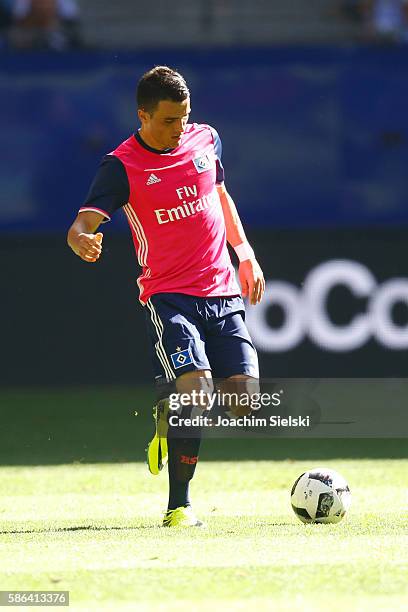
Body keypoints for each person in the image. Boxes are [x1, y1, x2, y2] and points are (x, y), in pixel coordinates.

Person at [67, 66, 265, 527]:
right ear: (143, 115)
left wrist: (246, 254)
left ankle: (166, 409)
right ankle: (179, 505)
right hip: (169, 294)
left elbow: (219, 195)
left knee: (244, 402)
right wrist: (81, 239)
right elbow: (82, 224)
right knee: (195, 392)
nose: (180, 129)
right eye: (170, 120)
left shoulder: (205, 140)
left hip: (221, 288)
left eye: (185, 117)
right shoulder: (121, 165)